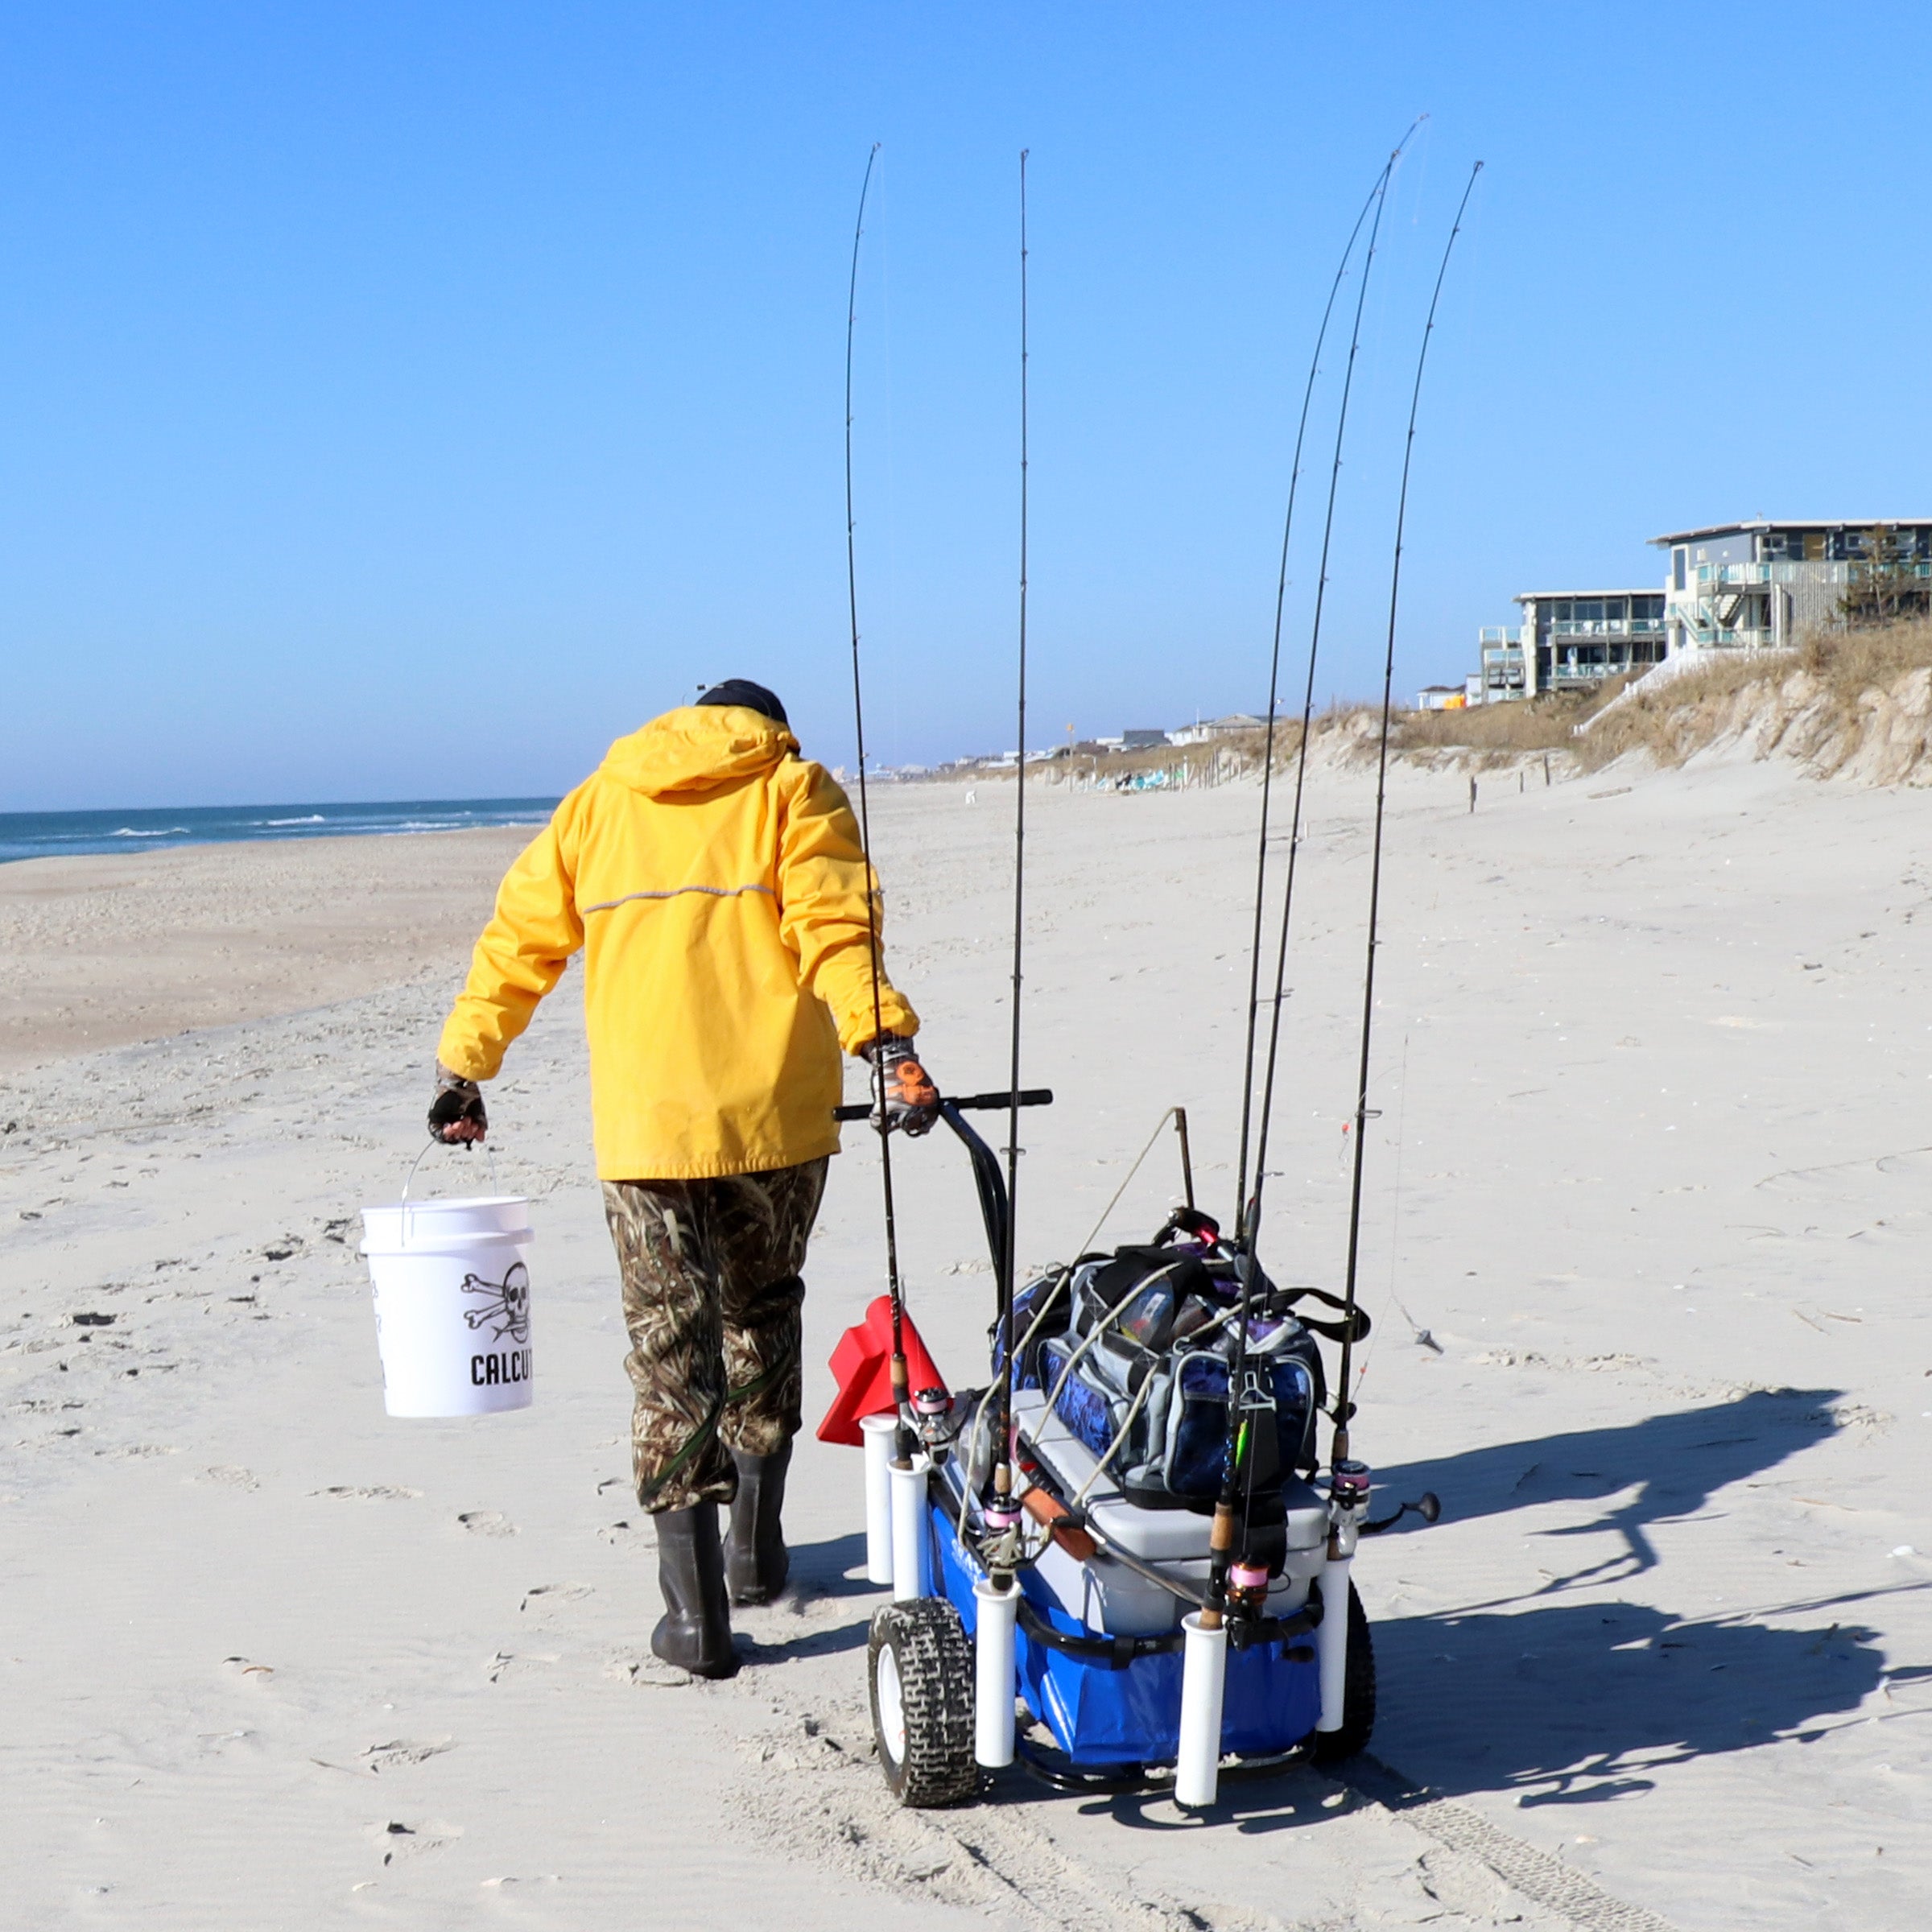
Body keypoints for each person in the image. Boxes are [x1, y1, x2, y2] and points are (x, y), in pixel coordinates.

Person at [428, 679, 936, 1678]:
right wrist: (885, 1041)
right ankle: (755, 1551)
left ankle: (696, 1618)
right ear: (765, 725)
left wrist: (465, 1066)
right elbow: (839, 926)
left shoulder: (599, 803)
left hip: (648, 1133)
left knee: (670, 1349)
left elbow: (519, 941)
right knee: (762, 1311)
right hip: (776, 1124)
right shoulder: (793, 788)